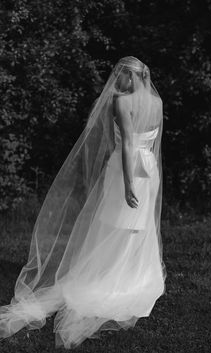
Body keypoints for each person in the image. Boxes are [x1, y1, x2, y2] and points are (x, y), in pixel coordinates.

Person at [0, 56, 167, 349]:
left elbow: (128, 144)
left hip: (126, 170)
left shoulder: (122, 101)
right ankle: (133, 275)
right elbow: (150, 145)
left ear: (131, 75)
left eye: (119, 74)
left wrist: (128, 182)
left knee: (113, 222)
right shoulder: (158, 103)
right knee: (136, 226)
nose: (115, 80)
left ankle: (107, 277)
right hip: (149, 169)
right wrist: (144, 175)